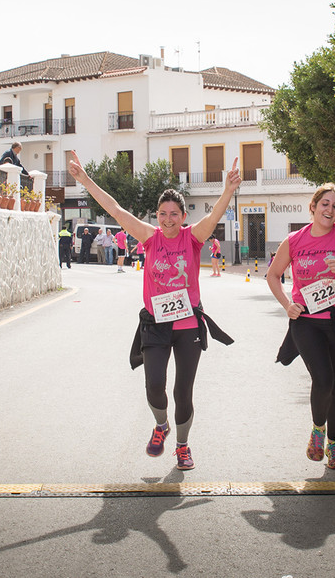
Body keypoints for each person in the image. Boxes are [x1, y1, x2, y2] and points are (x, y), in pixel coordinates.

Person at [67, 151, 241, 470]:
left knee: (182, 391)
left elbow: (215, 215)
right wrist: (85, 180)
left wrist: (228, 191)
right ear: (157, 215)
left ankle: (183, 445)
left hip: (188, 324)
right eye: (163, 213)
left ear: (184, 216)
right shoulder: (149, 238)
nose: (168, 219)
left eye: (174, 214)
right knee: (154, 385)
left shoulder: (193, 238)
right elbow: (116, 209)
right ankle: (161, 426)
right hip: (155, 325)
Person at [266, 183, 335, 470]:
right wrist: (286, 305)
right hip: (307, 323)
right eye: (325, 204)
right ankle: (318, 429)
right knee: (324, 379)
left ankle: (334, 443)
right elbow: (273, 275)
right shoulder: (294, 240)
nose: (330, 210)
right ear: (314, 207)